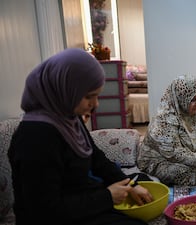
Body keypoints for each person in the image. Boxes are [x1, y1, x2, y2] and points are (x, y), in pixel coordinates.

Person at [8, 48, 153, 225]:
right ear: (63, 89)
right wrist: (107, 197)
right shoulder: (36, 137)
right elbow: (44, 211)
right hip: (60, 218)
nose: (95, 104)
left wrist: (131, 185)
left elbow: (97, 159)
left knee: (142, 184)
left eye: (97, 95)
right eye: (88, 97)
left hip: (84, 205)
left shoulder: (68, 119)